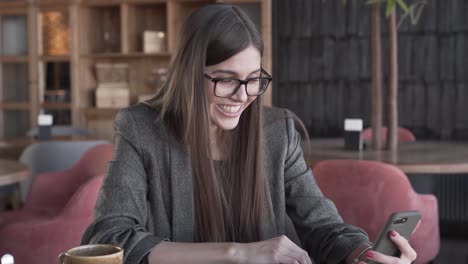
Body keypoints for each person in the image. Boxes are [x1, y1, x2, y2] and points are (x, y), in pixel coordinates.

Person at [82, 3, 418, 264]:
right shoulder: (141, 130)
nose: (243, 96)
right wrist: (239, 254)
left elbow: (324, 227)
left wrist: (362, 253)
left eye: (254, 79)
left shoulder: (278, 133)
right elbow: (111, 238)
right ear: (188, 75)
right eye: (226, 79)